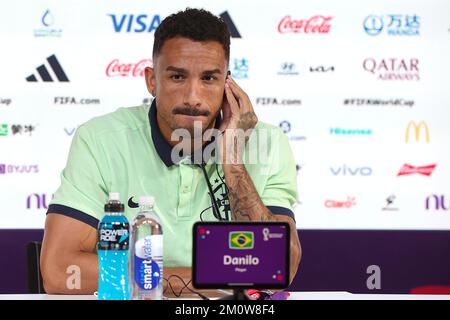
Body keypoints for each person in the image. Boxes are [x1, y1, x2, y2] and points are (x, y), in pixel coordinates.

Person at [40, 8, 301, 296]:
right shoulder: (100, 140)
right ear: (152, 80)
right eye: (177, 77)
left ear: (228, 84)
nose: (192, 97)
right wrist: (220, 278)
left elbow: (280, 268)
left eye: (209, 79)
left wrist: (234, 164)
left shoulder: (268, 143)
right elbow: (59, 271)